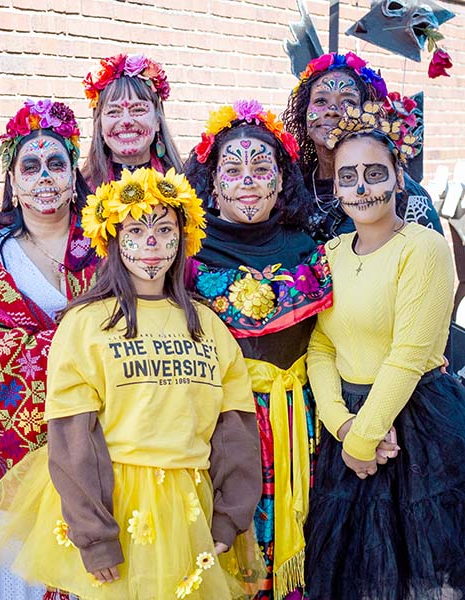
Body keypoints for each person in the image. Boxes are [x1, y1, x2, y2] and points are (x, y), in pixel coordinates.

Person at [0, 167, 264, 599]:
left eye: (164, 229)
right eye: (136, 230)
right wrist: (95, 534)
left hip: (188, 511)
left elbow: (234, 429)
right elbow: (74, 437)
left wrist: (230, 515)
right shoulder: (87, 325)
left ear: (185, 237)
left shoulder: (208, 327)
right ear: (114, 241)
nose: (151, 243)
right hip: (118, 509)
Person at [304, 103, 465, 599]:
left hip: (416, 425)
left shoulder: (424, 248)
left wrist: (363, 439)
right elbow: (321, 343)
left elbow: (410, 354)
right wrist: (343, 425)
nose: (361, 186)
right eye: (348, 176)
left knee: (420, 575)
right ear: (336, 188)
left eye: (375, 173)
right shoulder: (329, 254)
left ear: (398, 179)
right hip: (350, 425)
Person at [184, 100, 330, 600]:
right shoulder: (186, 254)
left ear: (280, 180)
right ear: (213, 183)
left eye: (261, 167)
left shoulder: (306, 249)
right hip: (225, 423)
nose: (248, 180)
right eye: (233, 169)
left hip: (304, 421)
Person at [0, 98, 97, 599]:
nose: (45, 177)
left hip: (103, 444)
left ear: (74, 172)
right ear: (12, 180)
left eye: (56, 164)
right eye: (30, 166)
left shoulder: (105, 243)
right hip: (14, 455)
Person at [282, 51, 441, 242]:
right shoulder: (293, 185)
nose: (332, 111)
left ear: (367, 113)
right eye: (321, 101)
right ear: (303, 111)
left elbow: (431, 256)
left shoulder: (400, 190)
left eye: (348, 101)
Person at [81, 54, 183, 189]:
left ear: (157, 121)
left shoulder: (185, 186)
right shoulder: (79, 193)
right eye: (113, 112)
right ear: (99, 125)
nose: (126, 121)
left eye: (138, 110)